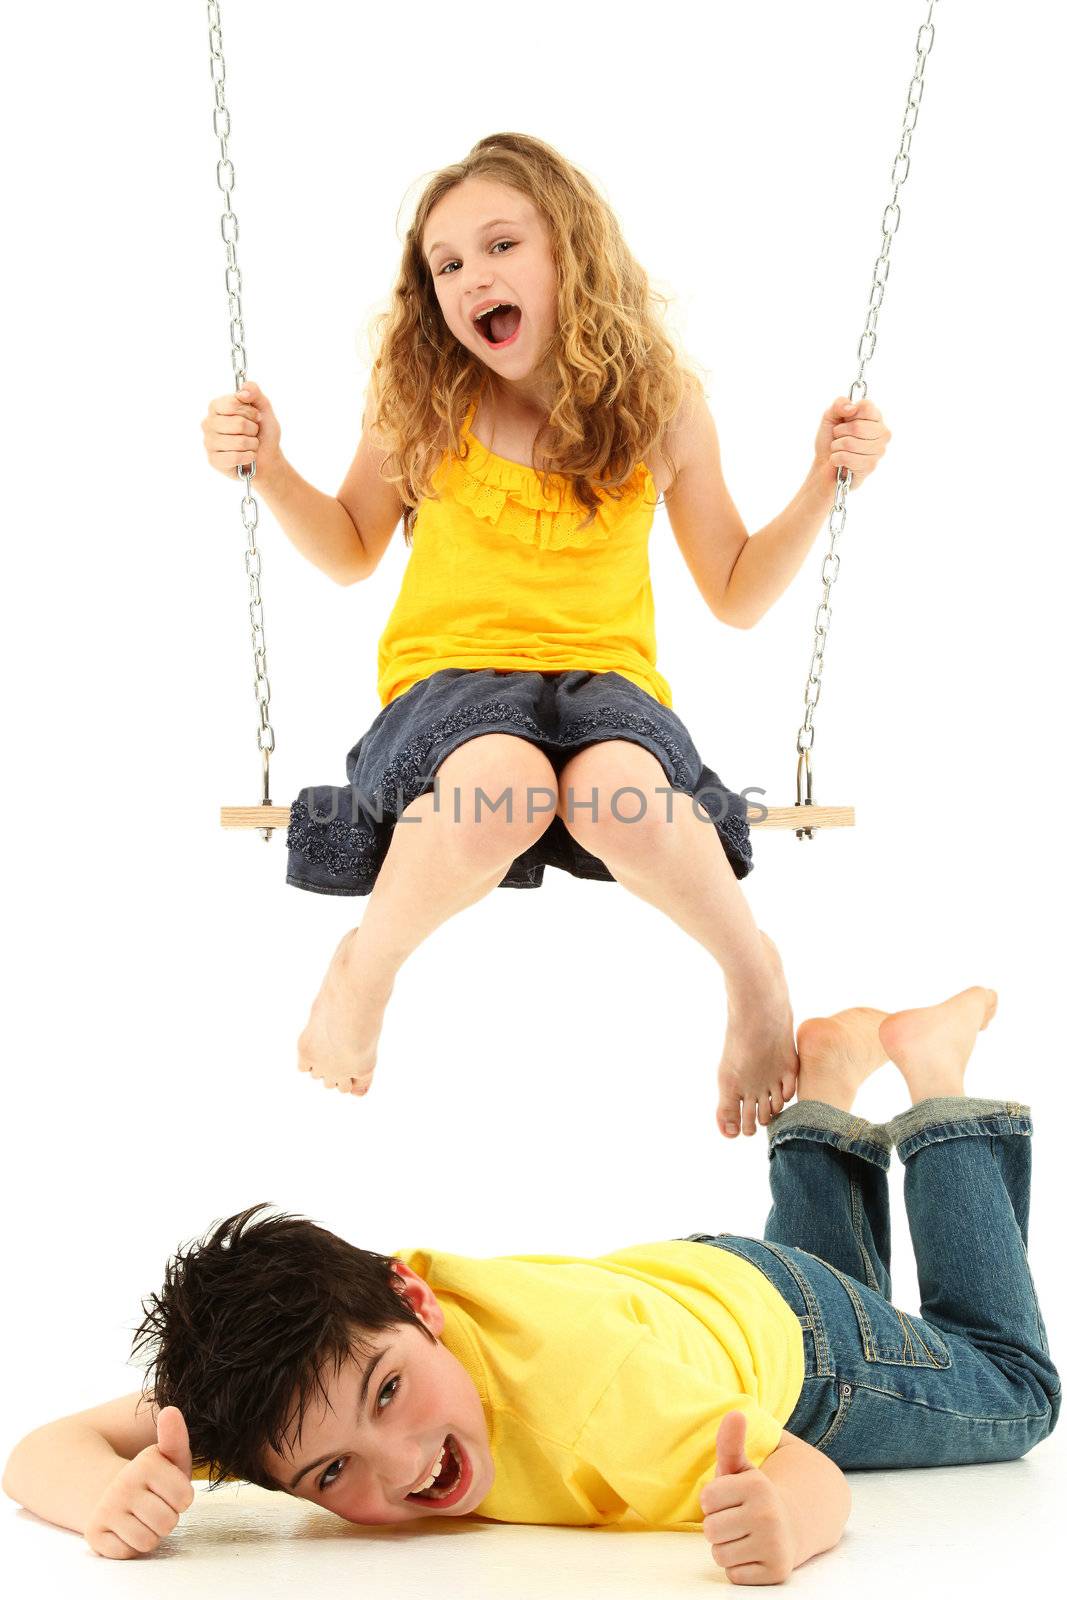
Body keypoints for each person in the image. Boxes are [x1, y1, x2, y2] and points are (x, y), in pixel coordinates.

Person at [201, 129, 890, 1130]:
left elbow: (736, 589)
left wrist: (821, 485)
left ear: (568, 250)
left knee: (618, 791)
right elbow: (351, 546)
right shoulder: (422, 402)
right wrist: (267, 467)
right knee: (498, 785)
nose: (471, 275)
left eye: (498, 246)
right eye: (445, 264)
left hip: (604, 686)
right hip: (448, 684)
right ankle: (366, 966)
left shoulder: (660, 408)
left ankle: (752, 972)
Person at [5, 985, 1056, 1583]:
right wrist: (111, 1494)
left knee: (1013, 1391)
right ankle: (823, 1084)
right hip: (686, 1284)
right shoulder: (292, 1380)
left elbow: (804, 1475)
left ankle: (936, 1079)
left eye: (386, 1394)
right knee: (824, 1278)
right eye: (331, 1476)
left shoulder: (602, 1407)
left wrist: (782, 1526)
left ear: (416, 1304)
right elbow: (37, 1451)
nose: (399, 1464)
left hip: (800, 1349)